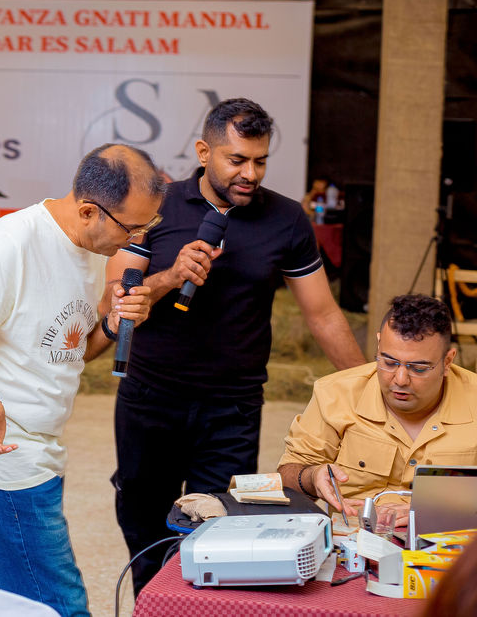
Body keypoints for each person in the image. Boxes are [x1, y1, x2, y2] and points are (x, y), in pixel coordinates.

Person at [106, 97, 367, 596]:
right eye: (237, 160)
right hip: (150, 399)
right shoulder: (154, 206)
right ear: (204, 152)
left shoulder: (286, 219)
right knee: (144, 525)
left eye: (261, 161)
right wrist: (170, 275)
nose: (251, 173)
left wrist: (367, 388)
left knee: (221, 534)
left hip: (233, 407)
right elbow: (116, 299)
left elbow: (323, 314)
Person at [0, 144, 166, 616]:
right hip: (1, 457)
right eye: (132, 228)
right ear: (89, 210)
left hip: (43, 447)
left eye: (148, 227)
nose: (138, 240)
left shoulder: (91, 246)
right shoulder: (13, 243)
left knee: (10, 601)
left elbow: (71, 350)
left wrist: (112, 324)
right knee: (61, 605)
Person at [279, 294, 477, 526]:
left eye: (418, 368)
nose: (400, 379)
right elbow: (286, 477)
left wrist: (434, 509)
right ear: (379, 344)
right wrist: (312, 477)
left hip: (450, 538)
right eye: (389, 362)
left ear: (447, 362)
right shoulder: (335, 394)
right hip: (353, 540)